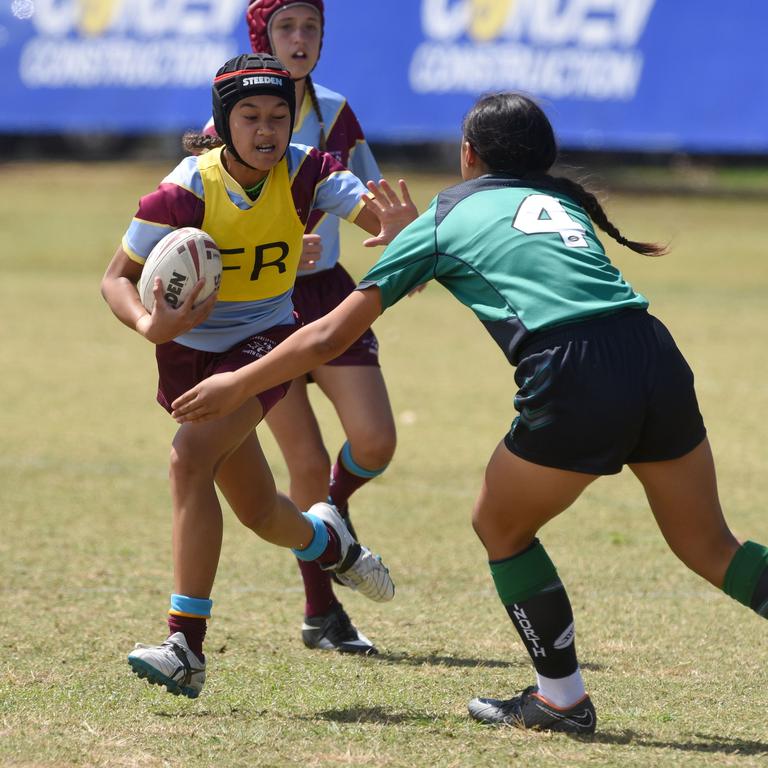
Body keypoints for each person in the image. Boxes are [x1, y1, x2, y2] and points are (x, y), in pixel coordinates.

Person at [170, 91, 768, 733]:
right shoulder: (559, 200)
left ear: (468, 155)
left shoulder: (447, 212)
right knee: (710, 544)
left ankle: (561, 699)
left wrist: (237, 384)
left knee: (500, 526)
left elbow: (326, 337)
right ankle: (557, 697)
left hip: (575, 368)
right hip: (654, 351)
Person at [100, 53, 413, 699]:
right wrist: (145, 325)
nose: (267, 130)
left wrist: (398, 228)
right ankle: (331, 545)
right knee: (261, 513)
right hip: (187, 352)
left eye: (278, 115)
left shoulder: (308, 169)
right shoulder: (183, 190)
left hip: (267, 338)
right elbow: (116, 279)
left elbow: (374, 216)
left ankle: (185, 646)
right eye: (250, 117)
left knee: (189, 461)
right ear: (225, 121)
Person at [244, 0, 399, 656]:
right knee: (302, 460)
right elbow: (217, 214)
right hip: (259, 306)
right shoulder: (235, 108)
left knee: (375, 438)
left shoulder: (336, 111)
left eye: (311, 28)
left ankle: (333, 513)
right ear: (262, 35)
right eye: (287, 27)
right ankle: (321, 613)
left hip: (332, 297)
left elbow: (374, 195)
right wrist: (276, 242)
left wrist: (400, 236)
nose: (300, 39)